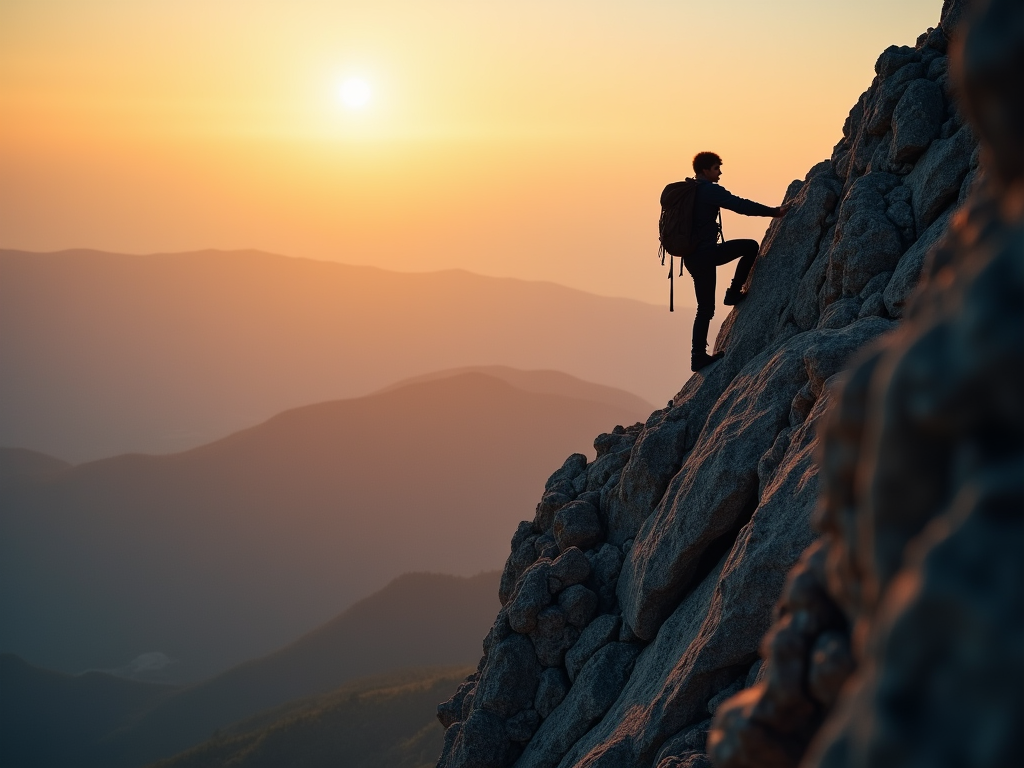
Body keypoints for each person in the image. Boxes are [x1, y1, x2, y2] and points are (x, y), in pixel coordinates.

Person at [685, 151, 790, 371]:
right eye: (716, 168)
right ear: (705, 170)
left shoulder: (689, 190)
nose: (720, 172)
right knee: (749, 247)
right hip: (705, 255)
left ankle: (698, 355)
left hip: (692, 256)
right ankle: (698, 355)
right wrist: (773, 212)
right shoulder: (709, 191)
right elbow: (741, 205)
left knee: (704, 307)